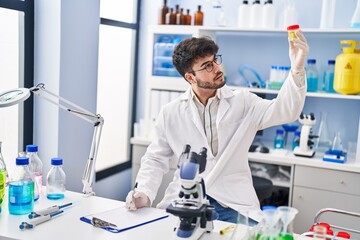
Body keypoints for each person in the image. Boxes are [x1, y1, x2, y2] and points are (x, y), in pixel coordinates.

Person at [126, 30, 309, 224]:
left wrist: (297, 68)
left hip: (233, 203)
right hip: (187, 199)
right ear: (190, 78)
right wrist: (143, 193)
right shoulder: (170, 112)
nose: (216, 68)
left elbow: (286, 110)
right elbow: (155, 159)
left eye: (215, 60)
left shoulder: (243, 101)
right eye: (207, 66)